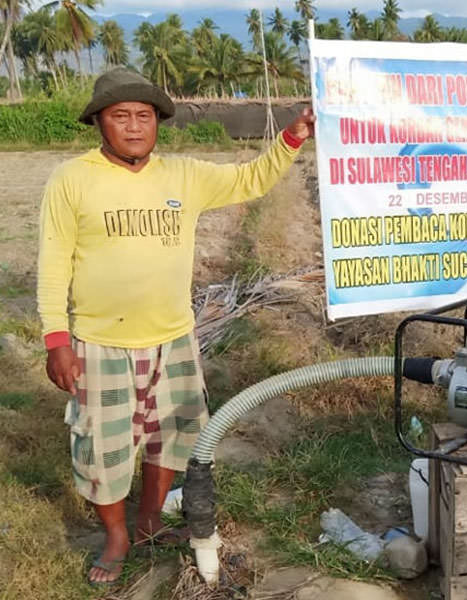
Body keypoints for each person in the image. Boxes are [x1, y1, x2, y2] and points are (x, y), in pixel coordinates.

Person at [37, 67, 315, 585]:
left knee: (174, 437)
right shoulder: (71, 180)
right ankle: (116, 537)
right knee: (104, 448)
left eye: (145, 116)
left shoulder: (184, 175)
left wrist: (293, 137)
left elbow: (249, 180)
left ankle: (146, 521)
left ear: (158, 122)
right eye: (121, 116)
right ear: (99, 122)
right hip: (101, 342)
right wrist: (57, 341)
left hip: (174, 338)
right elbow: (54, 265)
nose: (135, 126)